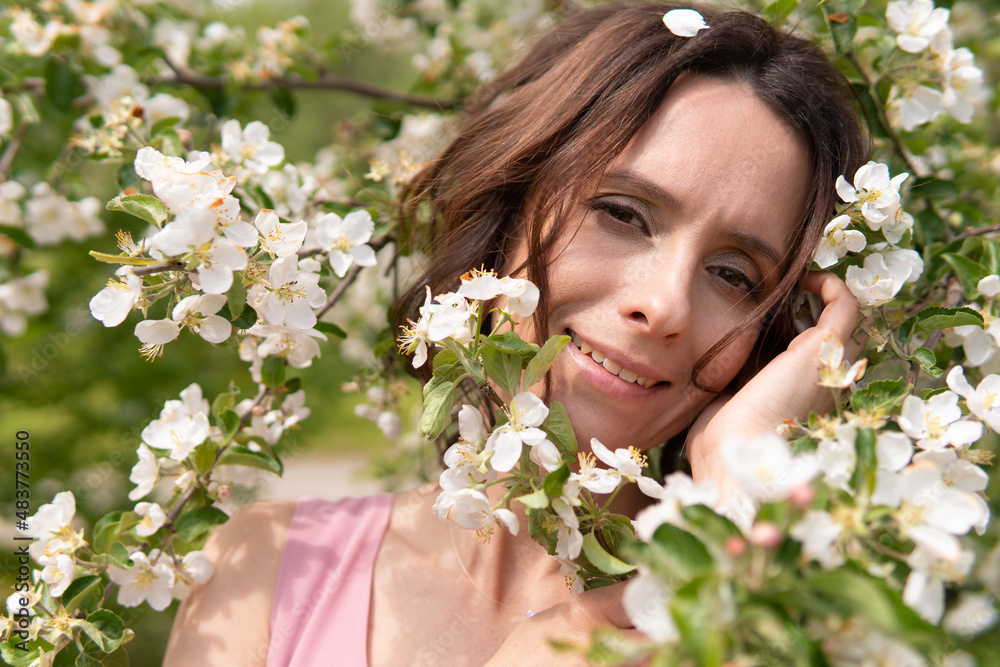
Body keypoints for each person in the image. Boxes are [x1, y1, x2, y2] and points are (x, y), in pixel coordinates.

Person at [163, 2, 868, 665]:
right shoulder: (265, 567)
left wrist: (744, 482)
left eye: (734, 275)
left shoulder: (793, 625)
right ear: (511, 211)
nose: (663, 305)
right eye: (623, 214)